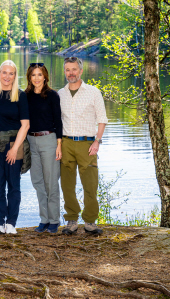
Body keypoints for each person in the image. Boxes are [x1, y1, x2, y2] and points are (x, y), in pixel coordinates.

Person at [58, 56, 108, 235]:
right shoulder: (60, 94)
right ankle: (71, 219)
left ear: (80, 71)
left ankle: (90, 222)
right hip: (66, 143)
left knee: (90, 184)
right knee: (67, 184)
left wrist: (97, 141)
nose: (70, 73)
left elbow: (102, 120)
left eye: (74, 69)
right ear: (65, 72)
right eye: (67, 70)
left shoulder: (93, 92)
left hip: (87, 143)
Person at [0, 60, 30, 235]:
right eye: (4, 72)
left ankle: (11, 223)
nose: (7, 76)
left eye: (11, 73)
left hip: (15, 145)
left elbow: (25, 125)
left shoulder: (20, 96)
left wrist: (14, 149)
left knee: (14, 185)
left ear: (15, 75)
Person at [25, 63, 63, 234]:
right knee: (38, 182)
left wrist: (59, 145)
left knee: (51, 182)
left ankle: (54, 220)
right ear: (29, 77)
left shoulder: (53, 96)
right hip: (31, 142)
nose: (37, 78)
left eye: (40, 75)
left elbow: (58, 121)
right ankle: (44, 220)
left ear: (45, 76)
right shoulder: (24, 96)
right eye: (33, 75)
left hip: (49, 140)